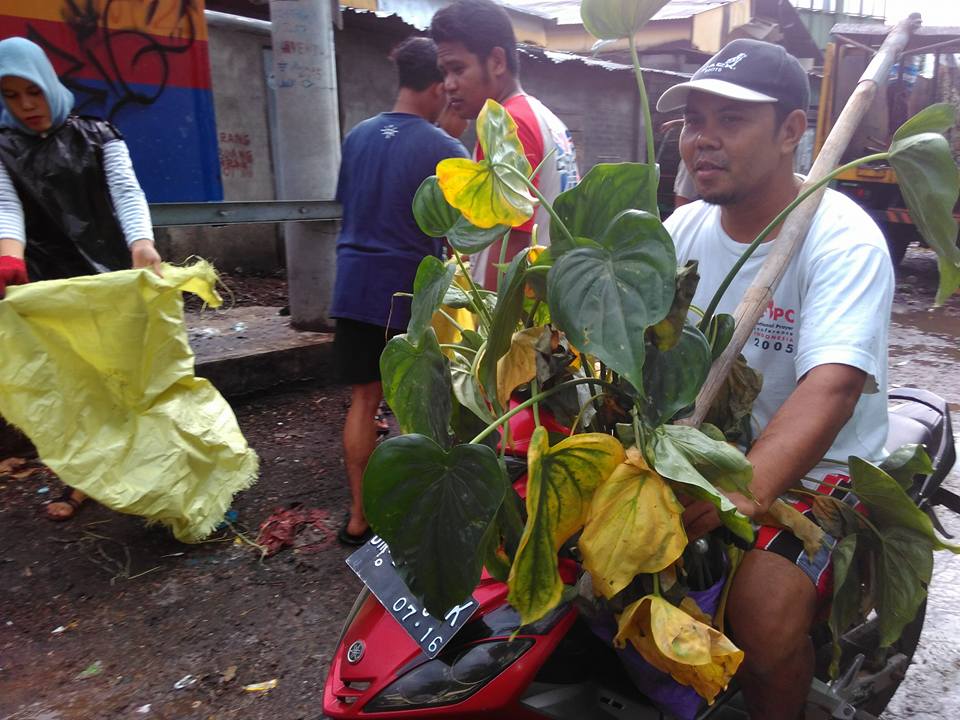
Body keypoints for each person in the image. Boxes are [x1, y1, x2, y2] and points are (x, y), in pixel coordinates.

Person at [658, 39, 894, 719]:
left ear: (793, 130)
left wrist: (743, 490)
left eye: (731, 121)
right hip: (704, 450)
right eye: (695, 120)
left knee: (761, 617)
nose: (703, 140)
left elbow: (833, 386)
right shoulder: (681, 231)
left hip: (816, 475)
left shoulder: (841, 239)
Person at [0, 37, 162, 521]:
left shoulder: (97, 134)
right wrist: (10, 257)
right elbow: (7, 208)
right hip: (53, 288)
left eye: (32, 92)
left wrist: (142, 243)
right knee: (70, 390)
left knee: (129, 380)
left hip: (111, 280)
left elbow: (126, 192)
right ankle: (80, 482)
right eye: (11, 95)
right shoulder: (3, 148)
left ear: (49, 84)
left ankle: (147, 470)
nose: (26, 106)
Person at [329, 37, 468, 546]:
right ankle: (406, 510)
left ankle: (358, 518)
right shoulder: (443, 148)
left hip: (351, 283)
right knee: (412, 405)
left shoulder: (357, 136)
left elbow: (354, 203)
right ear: (437, 88)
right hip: (403, 293)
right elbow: (461, 226)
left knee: (364, 401)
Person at [430, 0, 579, 289]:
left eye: (457, 69)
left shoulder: (505, 125)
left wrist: (494, 330)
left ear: (497, 61)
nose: (448, 84)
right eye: (444, 72)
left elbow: (512, 242)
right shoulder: (545, 118)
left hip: (521, 314)